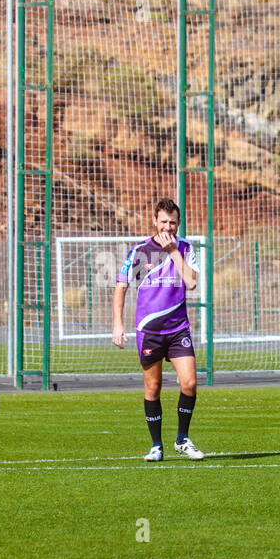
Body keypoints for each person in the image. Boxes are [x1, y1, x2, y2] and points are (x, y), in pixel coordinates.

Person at [112, 198, 204, 462]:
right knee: (153, 388)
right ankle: (156, 446)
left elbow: (191, 283)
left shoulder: (185, 248)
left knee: (190, 383)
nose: (168, 227)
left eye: (172, 222)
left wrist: (173, 251)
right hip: (149, 331)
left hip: (178, 329)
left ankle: (182, 439)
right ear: (154, 221)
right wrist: (118, 324)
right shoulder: (140, 251)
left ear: (179, 223)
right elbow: (121, 286)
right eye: (163, 221)